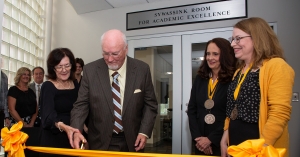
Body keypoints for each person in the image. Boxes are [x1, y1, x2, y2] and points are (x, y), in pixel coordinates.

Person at [69, 29, 158, 152]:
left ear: (126, 49)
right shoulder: (90, 70)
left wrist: (144, 132)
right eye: (105, 53)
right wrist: (76, 130)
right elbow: (81, 105)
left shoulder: (142, 70)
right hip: (99, 141)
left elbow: (150, 105)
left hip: (133, 141)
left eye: (115, 54)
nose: (110, 59)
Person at [220, 17, 295, 157]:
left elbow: (279, 113)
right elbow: (231, 108)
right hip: (236, 142)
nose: (232, 44)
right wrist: (225, 136)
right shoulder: (239, 71)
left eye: (238, 38)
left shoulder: (277, 66)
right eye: (232, 39)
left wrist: (262, 147)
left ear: (257, 37)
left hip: (259, 146)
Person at [187, 38, 236, 156]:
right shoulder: (200, 78)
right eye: (208, 54)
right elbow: (192, 109)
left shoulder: (233, 79)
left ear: (225, 56)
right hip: (199, 142)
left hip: (222, 141)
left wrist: (210, 140)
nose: (210, 58)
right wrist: (198, 139)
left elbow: (232, 115)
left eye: (215, 54)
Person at [39, 48, 80, 157]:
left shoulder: (75, 84)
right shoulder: (48, 86)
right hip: (53, 139)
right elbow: (47, 116)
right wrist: (64, 127)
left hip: (73, 138)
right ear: (53, 68)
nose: (64, 70)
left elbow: (81, 109)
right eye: (59, 66)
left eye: (67, 65)